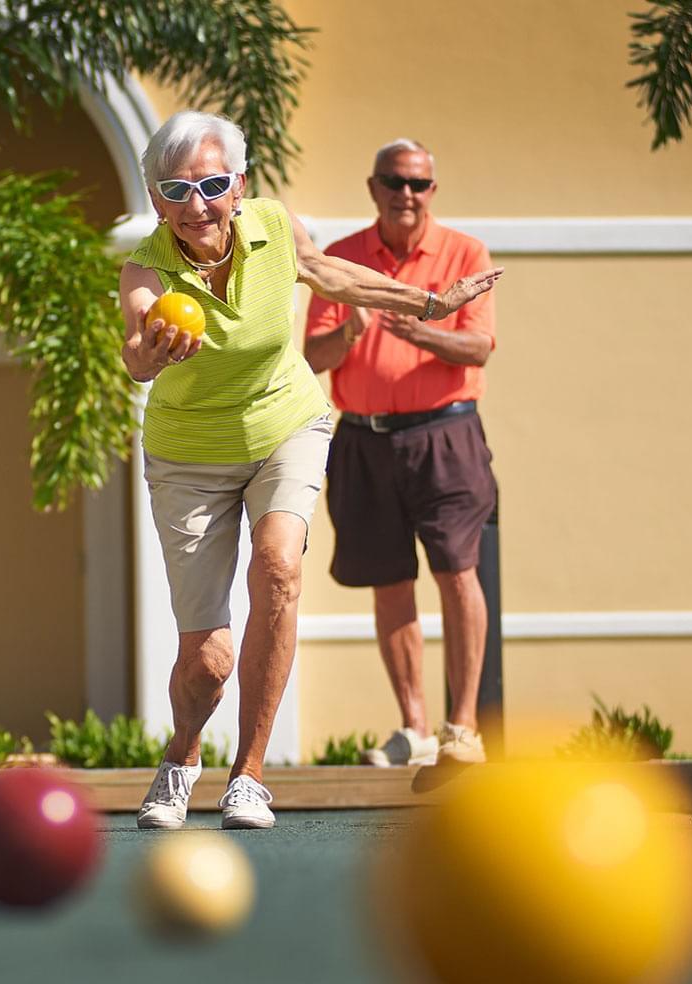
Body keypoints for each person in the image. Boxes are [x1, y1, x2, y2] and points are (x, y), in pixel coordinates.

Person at [120, 112, 502, 829]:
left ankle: (250, 775)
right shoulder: (146, 266)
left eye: (211, 184)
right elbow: (137, 347)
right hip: (189, 455)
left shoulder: (270, 225)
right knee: (207, 660)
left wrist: (428, 300)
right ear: (155, 196)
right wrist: (154, 352)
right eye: (176, 188)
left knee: (278, 568)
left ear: (237, 186)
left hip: (284, 426)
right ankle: (182, 755)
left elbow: (329, 272)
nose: (196, 204)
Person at [304, 138, 500, 769]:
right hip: (362, 439)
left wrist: (425, 331)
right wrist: (352, 325)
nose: (405, 194)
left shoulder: (465, 254)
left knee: (457, 571)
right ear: (373, 188)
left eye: (417, 183)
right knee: (388, 584)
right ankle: (414, 728)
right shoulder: (341, 260)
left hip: (445, 434)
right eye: (393, 181)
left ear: (432, 191)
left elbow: (479, 348)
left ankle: (462, 728)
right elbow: (314, 358)